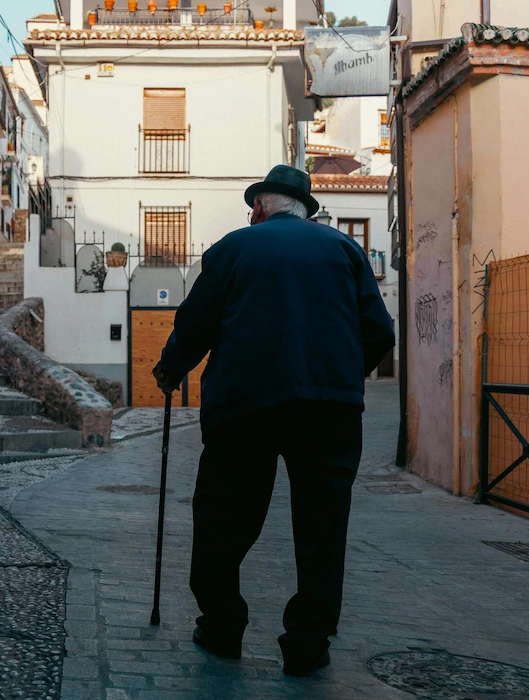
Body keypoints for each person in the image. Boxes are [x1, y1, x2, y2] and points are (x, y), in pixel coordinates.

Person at [152, 165, 395, 677]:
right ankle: (307, 645)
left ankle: (222, 629)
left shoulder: (234, 247)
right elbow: (379, 331)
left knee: (223, 519)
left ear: (261, 206)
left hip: (246, 405)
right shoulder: (346, 251)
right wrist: (340, 374)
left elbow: (195, 321)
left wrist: (172, 369)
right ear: (307, 210)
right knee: (323, 528)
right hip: (329, 410)